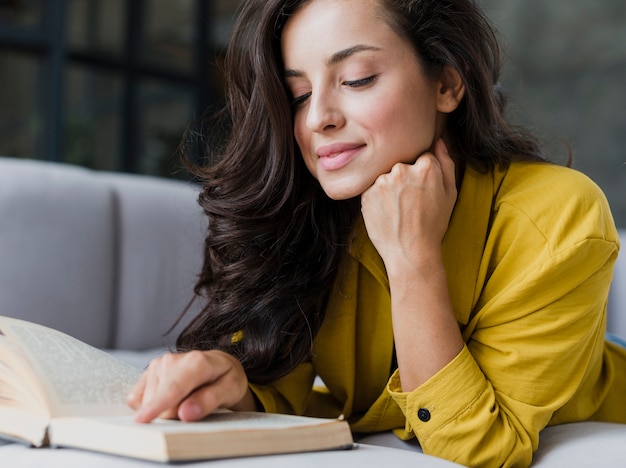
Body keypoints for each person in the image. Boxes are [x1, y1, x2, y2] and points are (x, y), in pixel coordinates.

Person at [127, 0, 626, 466]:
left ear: (447, 85)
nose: (319, 118)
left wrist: (413, 258)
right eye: (298, 94)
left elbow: (480, 447)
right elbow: (277, 382)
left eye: (357, 79)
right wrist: (231, 385)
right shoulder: (308, 209)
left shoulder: (558, 215)